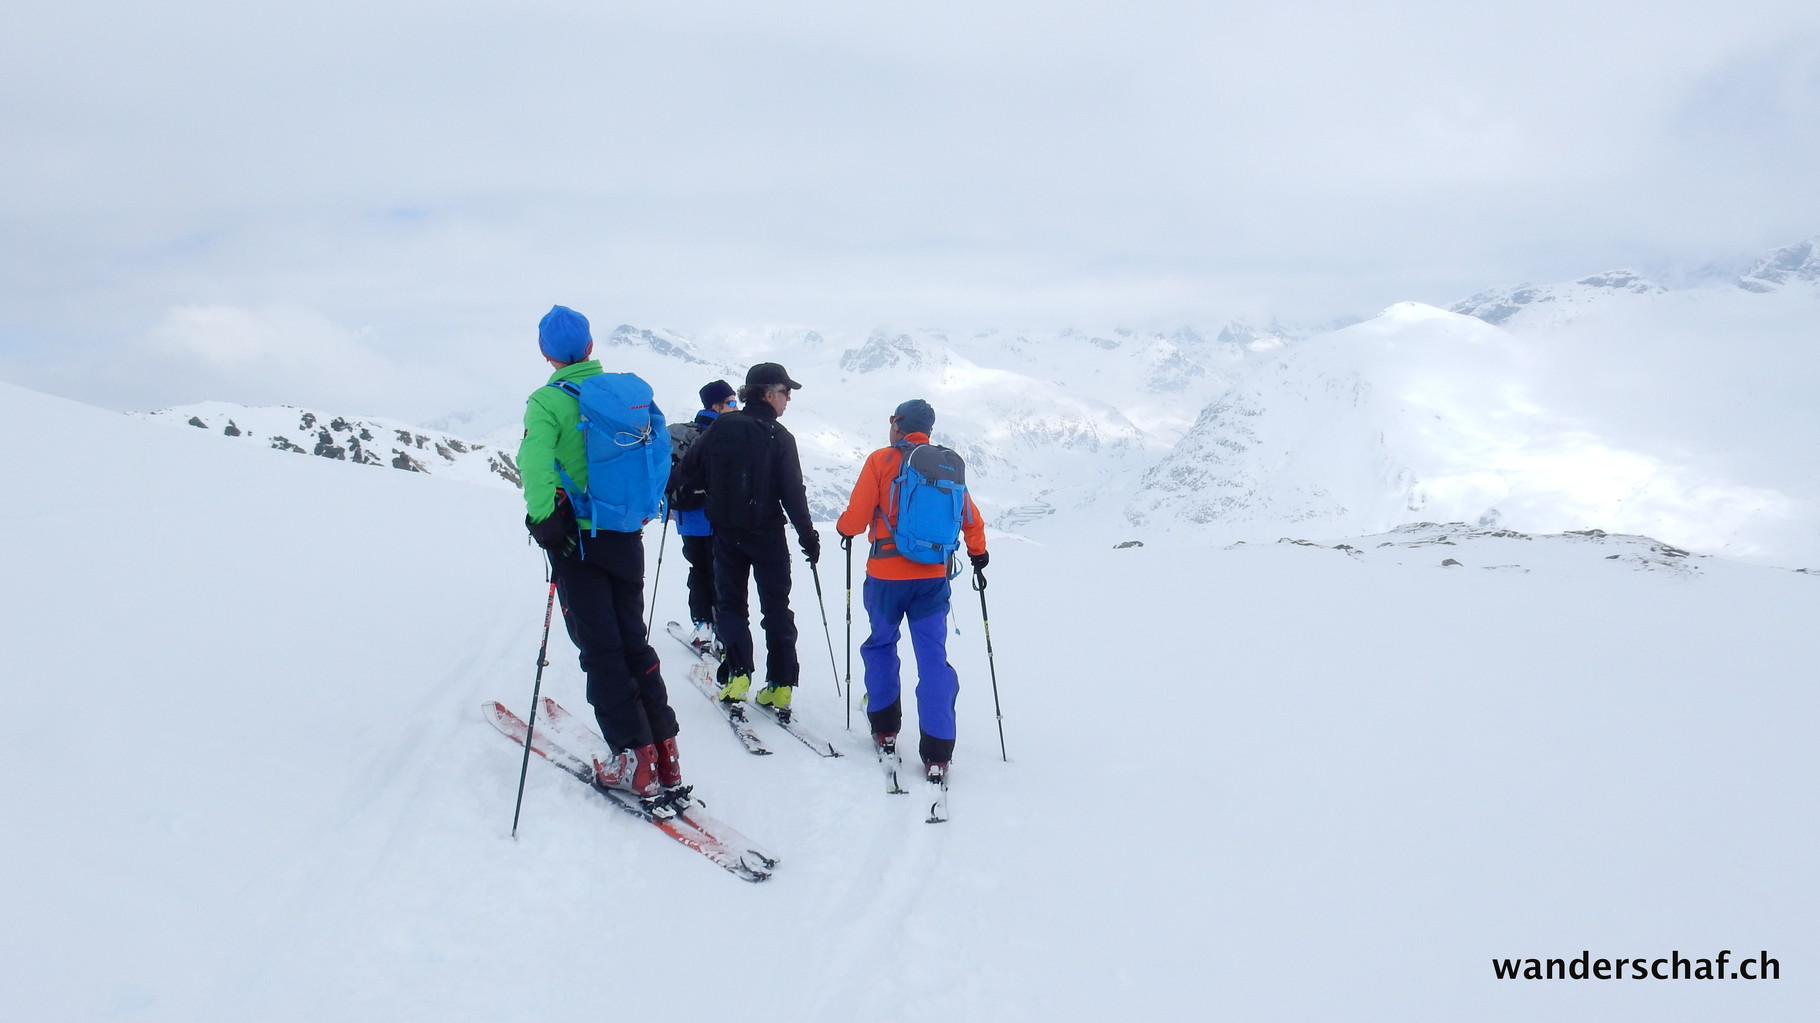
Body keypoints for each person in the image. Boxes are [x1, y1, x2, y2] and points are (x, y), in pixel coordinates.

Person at [518, 304, 686, 811]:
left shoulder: (547, 401)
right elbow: (659, 454)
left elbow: (533, 464)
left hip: (580, 540)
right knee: (633, 641)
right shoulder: (627, 397)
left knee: (601, 650)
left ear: (546, 353)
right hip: (626, 534)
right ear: (591, 346)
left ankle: (633, 762)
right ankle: (665, 754)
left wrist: (545, 523)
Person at [835, 399, 987, 783]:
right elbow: (970, 518)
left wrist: (843, 529)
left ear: (898, 425)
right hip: (932, 578)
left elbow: (856, 519)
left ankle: (885, 727)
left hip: (885, 577)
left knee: (882, 645)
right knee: (933, 659)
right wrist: (978, 553)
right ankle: (938, 751)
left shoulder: (881, 460)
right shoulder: (945, 465)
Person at [671, 363, 820, 720]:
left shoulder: (721, 427)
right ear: (768, 394)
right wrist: (808, 536)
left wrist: (681, 492)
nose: (788, 399)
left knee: (731, 605)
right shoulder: (781, 436)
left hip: (726, 533)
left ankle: (738, 676)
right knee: (777, 608)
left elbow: (687, 471)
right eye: (785, 392)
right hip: (768, 535)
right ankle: (780, 685)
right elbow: (792, 493)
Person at [667, 379, 737, 654]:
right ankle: (720, 632)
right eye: (731, 402)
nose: (736, 407)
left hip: (688, 516)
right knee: (720, 573)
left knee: (698, 569)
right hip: (718, 517)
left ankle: (703, 625)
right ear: (716, 406)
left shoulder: (682, 434)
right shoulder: (724, 432)